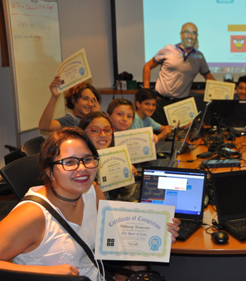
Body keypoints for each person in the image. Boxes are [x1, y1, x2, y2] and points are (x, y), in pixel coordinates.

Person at [0, 127, 180, 280]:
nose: (82, 169)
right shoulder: (32, 214)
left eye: (87, 159)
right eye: (69, 162)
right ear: (49, 171)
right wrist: (46, 272)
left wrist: (158, 233)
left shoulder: (91, 191)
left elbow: (113, 235)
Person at [143, 22, 215, 125]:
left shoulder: (199, 57)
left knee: (179, 137)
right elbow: (147, 66)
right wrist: (147, 91)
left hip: (181, 105)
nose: (190, 36)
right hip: (160, 102)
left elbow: (209, 77)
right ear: (181, 35)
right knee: (159, 135)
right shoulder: (167, 49)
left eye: (194, 33)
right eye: (187, 32)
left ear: (197, 37)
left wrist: (225, 92)